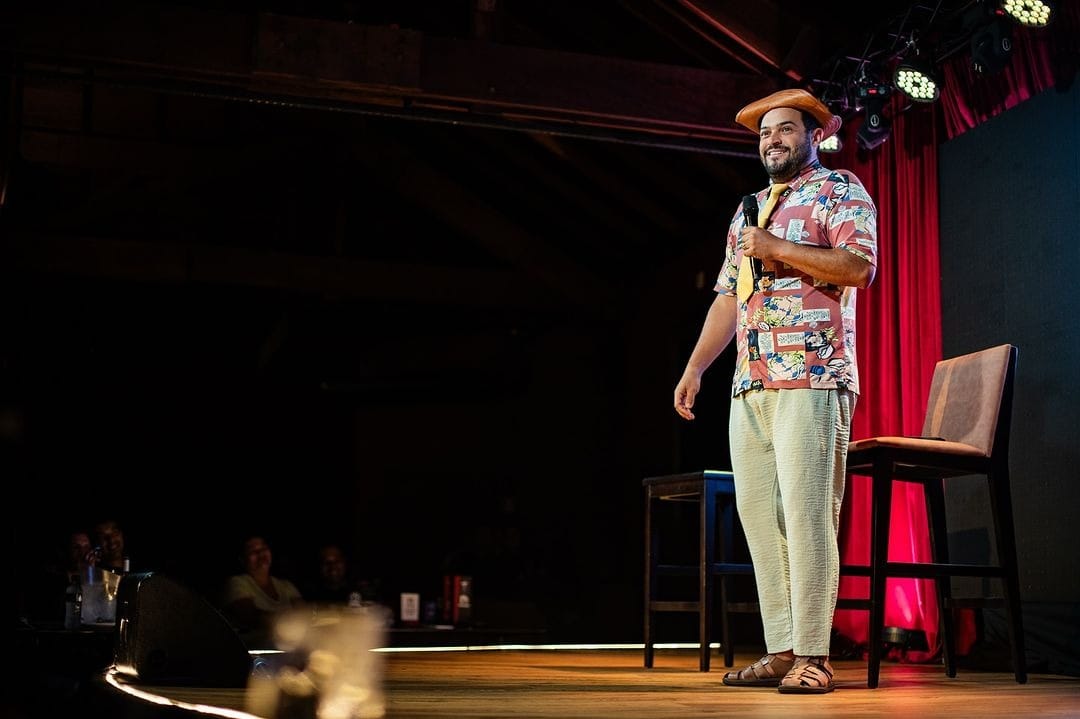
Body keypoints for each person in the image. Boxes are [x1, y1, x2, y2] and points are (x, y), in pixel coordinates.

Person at [673, 88, 877, 694]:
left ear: (813, 135)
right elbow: (726, 298)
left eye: (785, 129)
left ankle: (816, 653)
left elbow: (858, 268)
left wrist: (780, 249)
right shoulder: (747, 210)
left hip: (812, 373)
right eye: (765, 133)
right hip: (751, 380)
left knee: (808, 514)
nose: (773, 141)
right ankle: (784, 648)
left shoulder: (840, 190)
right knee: (761, 520)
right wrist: (695, 368)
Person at [221, 534, 303, 648]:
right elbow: (250, 617)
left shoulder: (286, 586)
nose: (261, 554)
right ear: (242, 559)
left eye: (264, 548)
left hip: (292, 648)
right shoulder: (237, 583)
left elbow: (304, 614)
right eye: (253, 551)